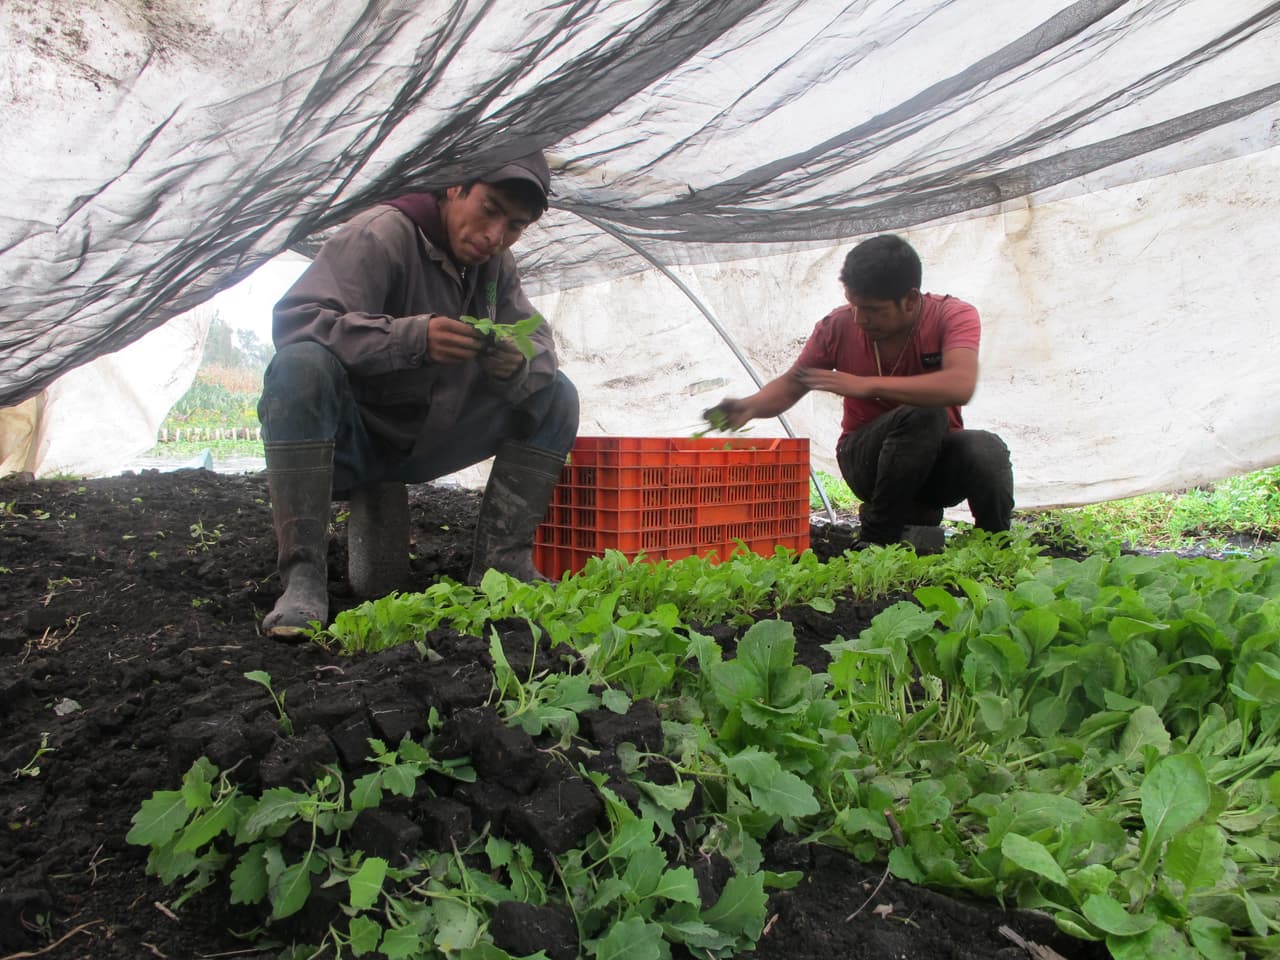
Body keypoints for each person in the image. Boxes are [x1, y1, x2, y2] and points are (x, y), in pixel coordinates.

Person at [256, 149, 579, 637]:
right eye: (489, 209)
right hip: (352, 442)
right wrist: (412, 338)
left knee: (555, 394)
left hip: (432, 437)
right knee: (300, 366)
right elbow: (300, 321)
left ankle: (501, 567)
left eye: (514, 226)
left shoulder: (495, 267)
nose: (496, 236)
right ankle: (303, 580)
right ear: (454, 187)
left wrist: (515, 360)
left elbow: (537, 343)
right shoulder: (382, 233)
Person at [706, 233, 1012, 550]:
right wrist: (749, 406)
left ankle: (997, 548)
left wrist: (867, 385)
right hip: (865, 460)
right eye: (854, 305)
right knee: (923, 413)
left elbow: (960, 385)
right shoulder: (837, 326)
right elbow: (792, 383)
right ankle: (876, 539)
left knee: (985, 447)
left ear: (909, 299)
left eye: (872, 309)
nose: (860, 318)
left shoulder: (952, 315)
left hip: (935, 464)